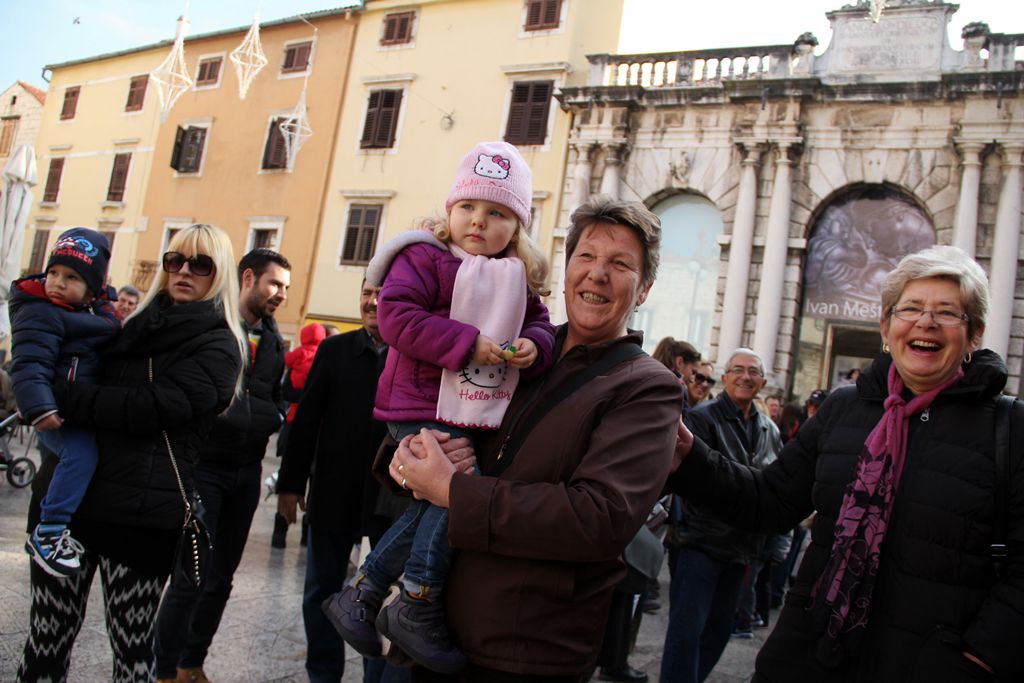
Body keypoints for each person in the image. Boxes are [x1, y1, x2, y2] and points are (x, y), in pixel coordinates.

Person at [669, 245, 1024, 682]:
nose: (925, 322)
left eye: (947, 312)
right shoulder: (844, 408)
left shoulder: (1009, 428)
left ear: (974, 334)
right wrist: (690, 458)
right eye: (910, 308)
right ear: (886, 326)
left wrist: (977, 659)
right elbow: (769, 501)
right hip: (809, 658)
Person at [381, 195, 683, 682]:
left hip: (525, 651)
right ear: (566, 270)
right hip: (435, 631)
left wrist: (452, 492)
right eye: (585, 257)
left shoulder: (648, 388)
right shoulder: (519, 349)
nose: (597, 274)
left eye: (620, 264)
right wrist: (409, 459)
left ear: (644, 288)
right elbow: (443, 422)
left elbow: (598, 518)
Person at [324, 141, 555, 674]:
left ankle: (364, 594)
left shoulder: (514, 276)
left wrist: (535, 347)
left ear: (515, 227)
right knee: (455, 490)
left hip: (469, 409)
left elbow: (540, 323)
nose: (478, 221)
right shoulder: (424, 257)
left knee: (442, 497)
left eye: (496, 212)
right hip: (417, 400)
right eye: (468, 206)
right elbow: (397, 318)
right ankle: (416, 602)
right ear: (449, 210)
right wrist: (465, 341)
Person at [16, 223, 245, 682]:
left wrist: (62, 397)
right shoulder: (129, 323)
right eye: (175, 260)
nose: (184, 271)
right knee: (46, 641)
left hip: (142, 519)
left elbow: (154, 408)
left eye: (200, 264)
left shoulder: (221, 345)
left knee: (132, 650)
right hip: (73, 509)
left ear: (219, 275)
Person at [153, 248, 291, 683]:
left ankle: (191, 663)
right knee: (191, 575)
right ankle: (162, 669)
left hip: (246, 471)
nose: (281, 295)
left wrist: (275, 415)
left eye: (286, 288)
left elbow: (274, 395)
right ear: (248, 278)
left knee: (221, 578)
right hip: (205, 466)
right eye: (274, 284)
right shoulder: (212, 326)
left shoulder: (273, 340)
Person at [277, 281, 409, 683]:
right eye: (367, 292)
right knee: (322, 590)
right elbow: (307, 420)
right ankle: (323, 673)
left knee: (382, 597)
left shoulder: (413, 356)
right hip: (334, 492)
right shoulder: (335, 351)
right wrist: (290, 484)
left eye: (384, 293)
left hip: (389, 501)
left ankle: (375, 674)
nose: (372, 302)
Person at [660, 348, 781, 683]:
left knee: (719, 630)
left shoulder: (769, 428)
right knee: (686, 633)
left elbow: (775, 484)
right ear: (725, 377)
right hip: (701, 541)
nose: (746, 376)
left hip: (744, 547)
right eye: (738, 370)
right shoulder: (703, 418)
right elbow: (694, 480)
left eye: (753, 371)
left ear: (764, 381)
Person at [9, 228, 119, 577]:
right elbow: (28, 363)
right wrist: (39, 407)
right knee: (80, 456)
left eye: (71, 277)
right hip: (54, 412)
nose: (57, 282)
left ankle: (56, 527)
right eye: (53, 272)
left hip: (76, 409)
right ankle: (50, 530)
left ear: (91, 287)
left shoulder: (91, 314)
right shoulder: (40, 313)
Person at [652, 337, 701, 414]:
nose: (693, 380)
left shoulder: (650, 376)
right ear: (680, 362)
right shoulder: (677, 388)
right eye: (693, 372)